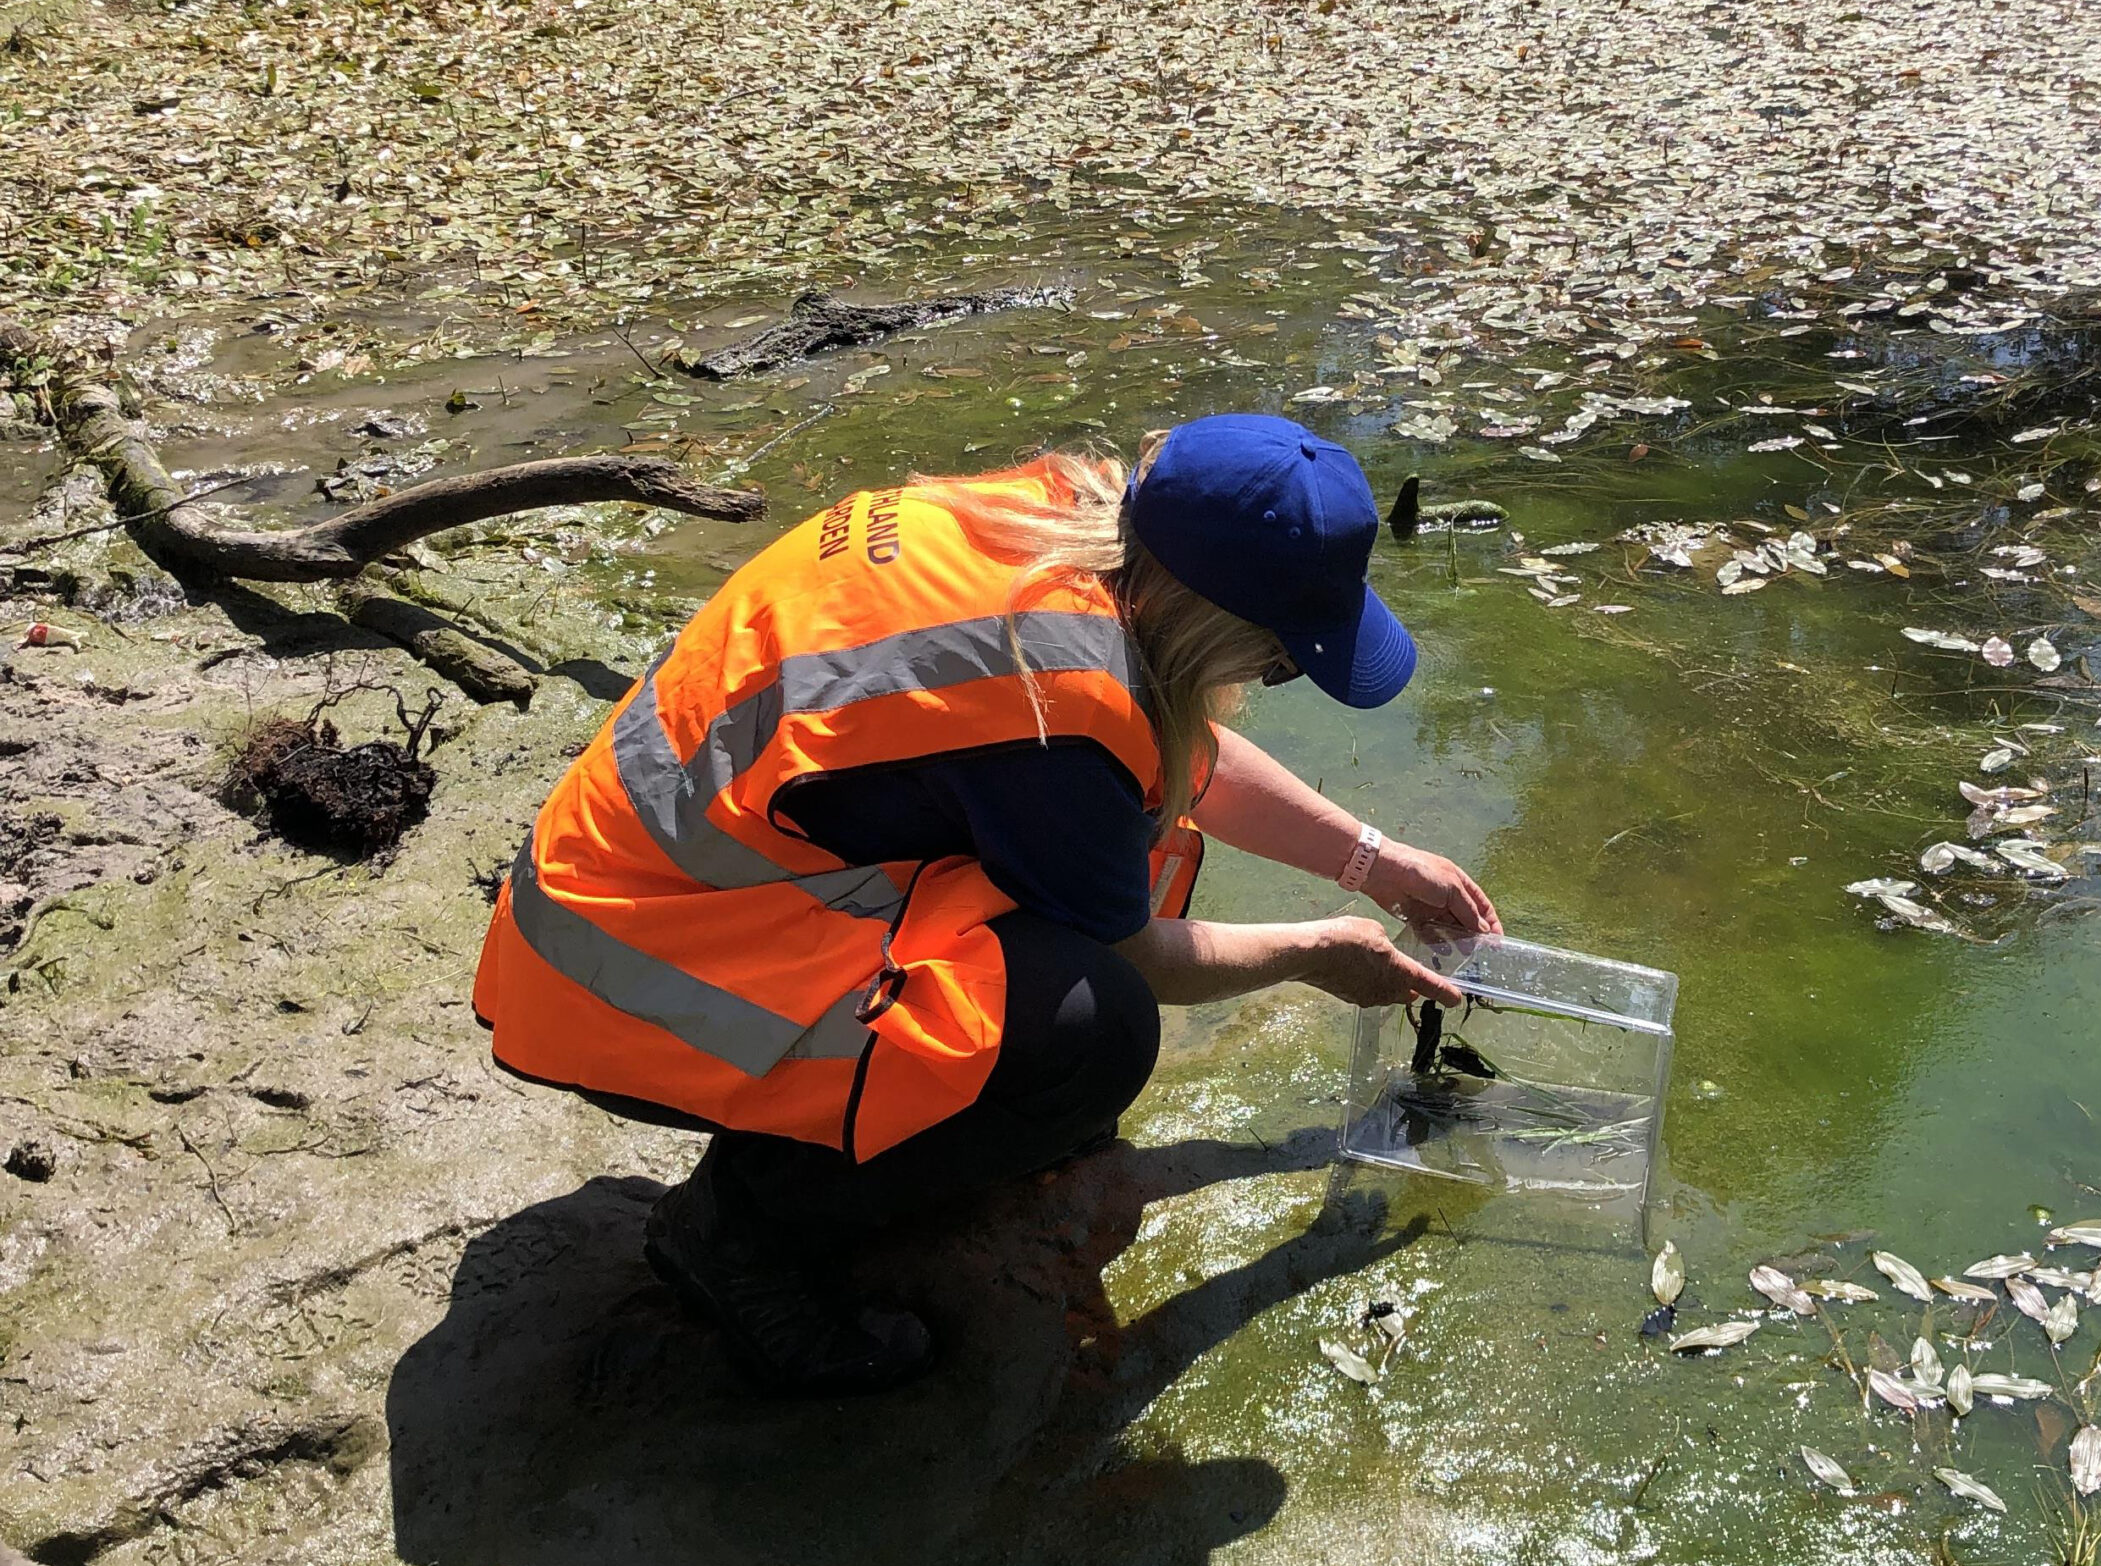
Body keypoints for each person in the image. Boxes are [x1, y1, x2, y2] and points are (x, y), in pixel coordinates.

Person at [472, 414, 1499, 1395]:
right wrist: (1320, 948)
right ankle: (739, 1228)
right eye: (1278, 660)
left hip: (646, 873)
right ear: (1205, 617)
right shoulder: (1055, 702)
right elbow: (1133, 950)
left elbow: (1181, 748)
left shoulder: (1072, 520)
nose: (1274, 676)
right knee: (1090, 1030)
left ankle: (903, 1135)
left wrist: (1376, 858)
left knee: (1082, 918)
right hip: (617, 974)